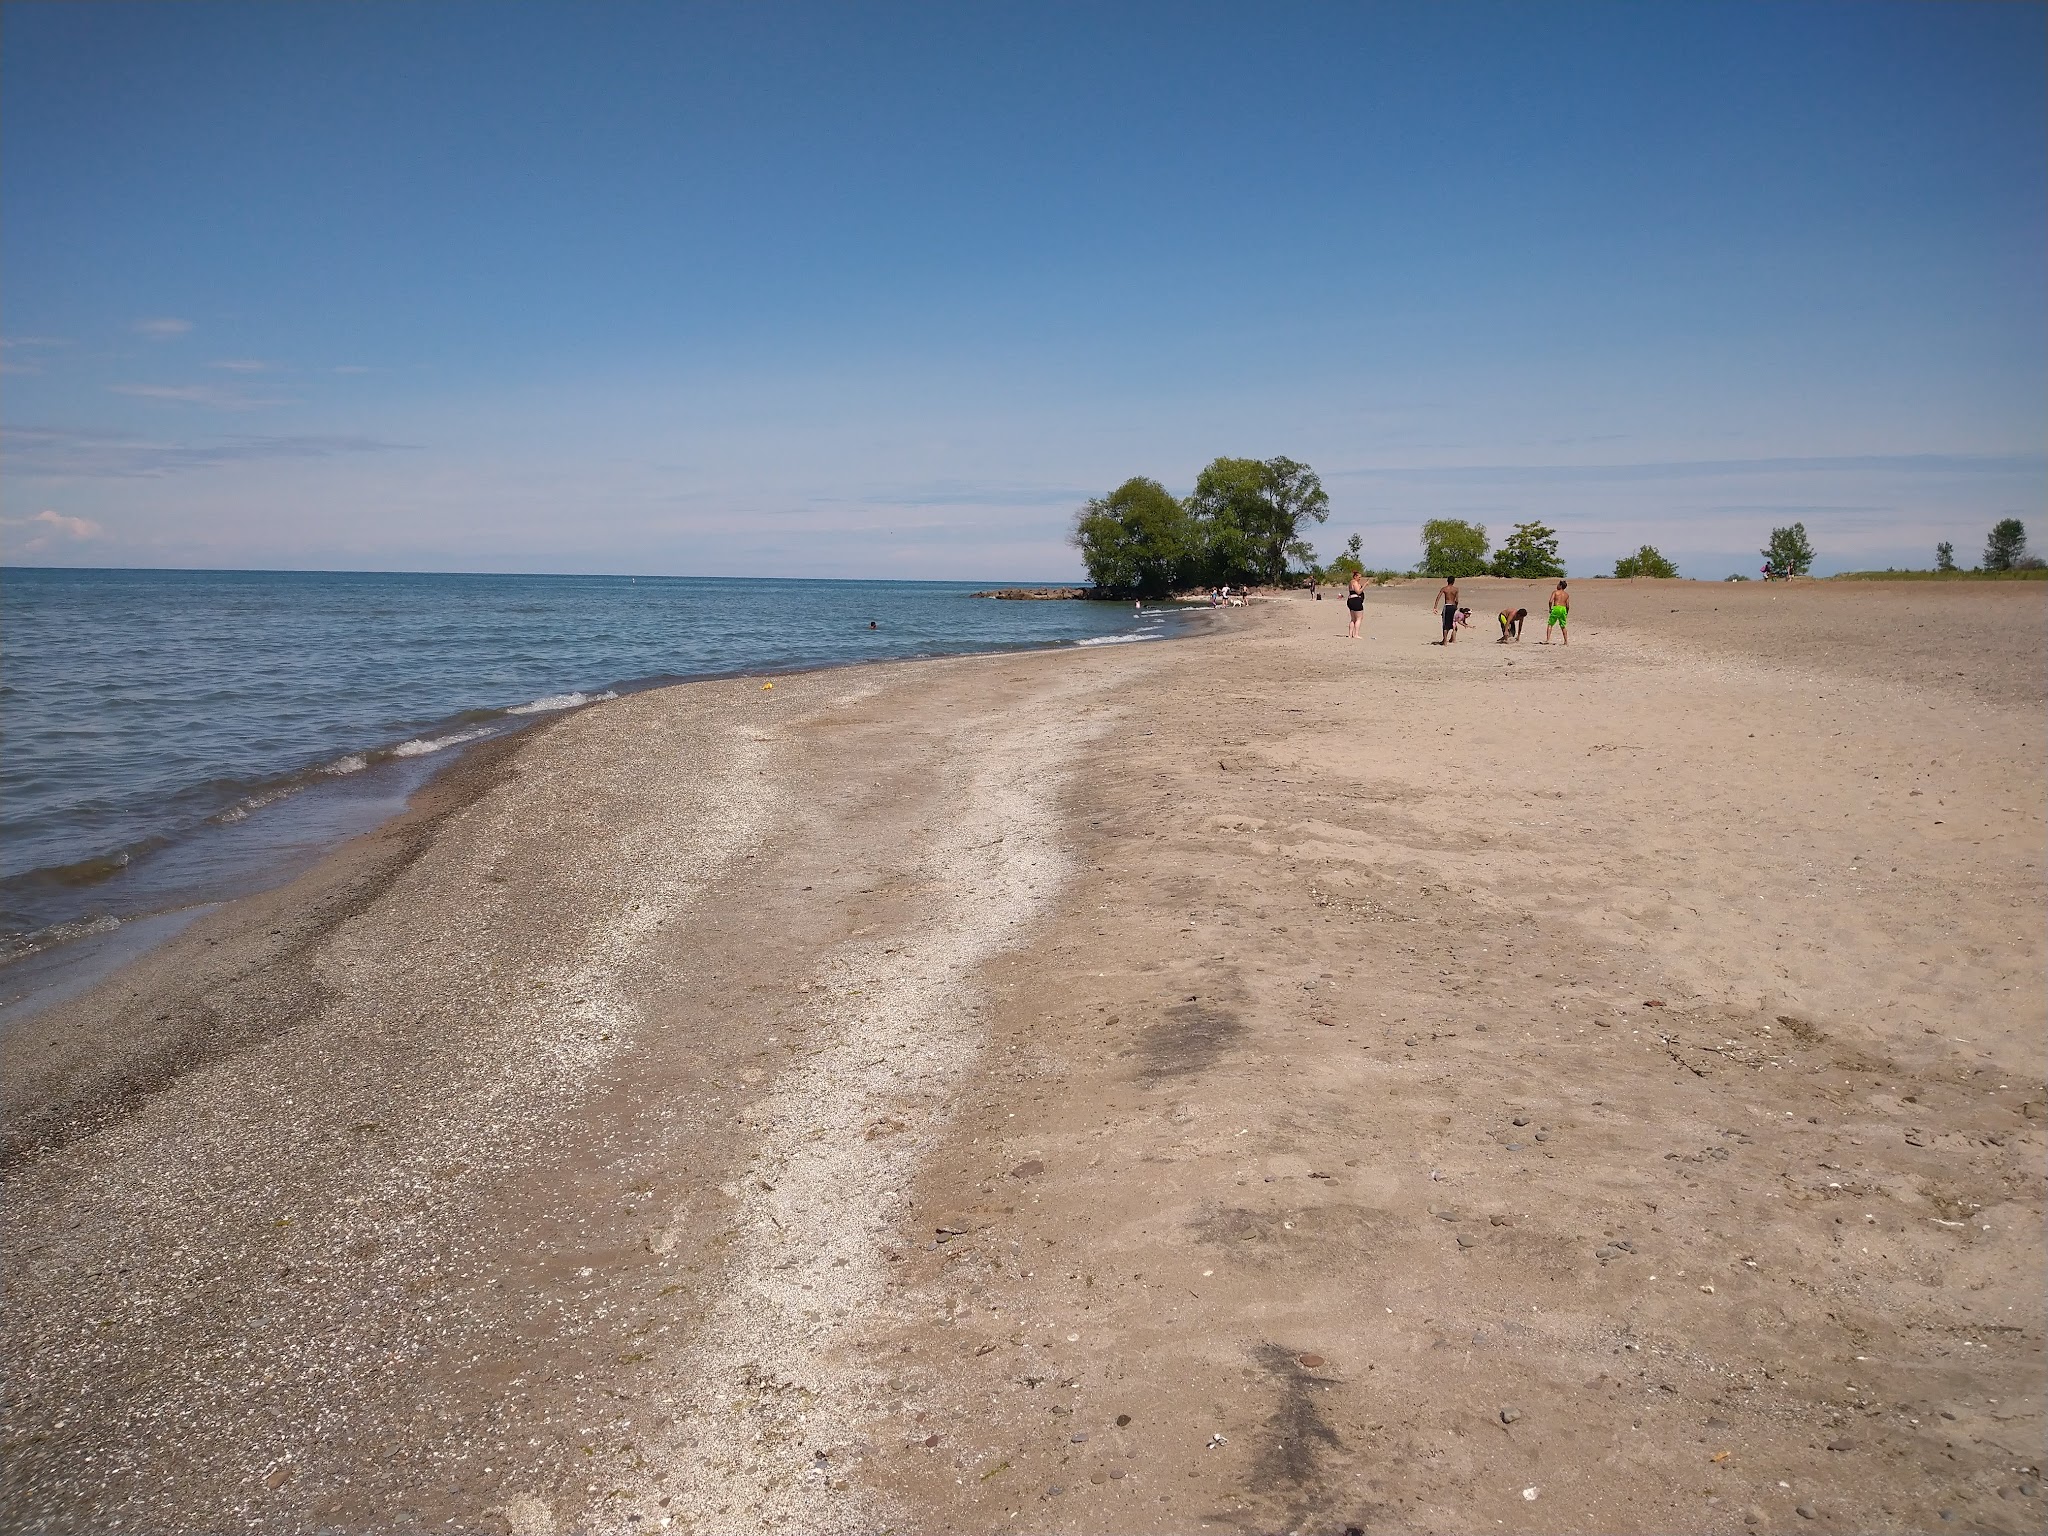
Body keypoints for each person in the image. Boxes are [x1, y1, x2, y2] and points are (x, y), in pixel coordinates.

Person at [1434, 575, 1460, 643]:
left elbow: (1438, 597)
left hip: (1447, 606)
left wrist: (1435, 607)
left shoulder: (1444, 588)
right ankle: (1453, 639)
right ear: (1454, 581)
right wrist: (1456, 607)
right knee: (1454, 622)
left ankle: (1445, 641)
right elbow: (1457, 600)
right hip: (1453, 606)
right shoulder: (1456, 589)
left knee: (1445, 624)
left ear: (1447, 581)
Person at [1542, 579, 1570, 644]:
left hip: (1556, 608)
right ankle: (1565, 641)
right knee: (1563, 625)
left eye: (1558, 584)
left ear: (1560, 586)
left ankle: (1548, 639)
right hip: (1563, 609)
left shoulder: (1555, 592)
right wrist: (1566, 612)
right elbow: (1568, 605)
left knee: (1550, 624)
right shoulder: (1566, 594)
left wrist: (1550, 608)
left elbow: (1550, 601)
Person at [1346, 570, 1366, 638]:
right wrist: (1364, 585)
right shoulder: (1355, 582)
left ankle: (1350, 634)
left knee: (1353, 619)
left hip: (1350, 600)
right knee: (1359, 618)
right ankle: (1356, 634)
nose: (1359, 579)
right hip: (1356, 600)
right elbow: (1358, 592)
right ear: (1355, 576)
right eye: (1359, 577)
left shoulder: (1350, 583)